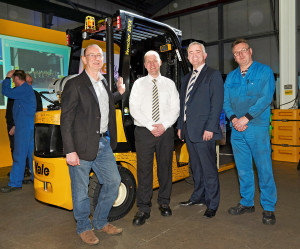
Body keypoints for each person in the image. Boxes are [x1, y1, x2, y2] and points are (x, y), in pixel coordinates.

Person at [60, 44, 125, 245]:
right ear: (85, 59)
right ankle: (83, 227)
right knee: (80, 190)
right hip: (80, 146)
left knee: (113, 182)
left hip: (103, 143)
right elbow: (66, 119)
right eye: (92, 55)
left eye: (100, 55)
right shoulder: (75, 84)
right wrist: (70, 150)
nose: (97, 59)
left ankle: (99, 221)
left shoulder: (104, 82)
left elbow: (100, 104)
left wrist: (119, 93)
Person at [223, 39, 277, 225]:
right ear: (234, 58)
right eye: (236, 53)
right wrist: (233, 119)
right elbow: (226, 102)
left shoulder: (264, 71)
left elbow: (265, 98)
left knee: (264, 169)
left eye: (243, 51)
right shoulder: (231, 77)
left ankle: (269, 207)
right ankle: (247, 203)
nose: (240, 55)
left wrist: (246, 118)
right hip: (237, 129)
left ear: (250, 51)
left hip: (257, 127)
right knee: (243, 169)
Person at [129, 50, 180, 226]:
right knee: (144, 171)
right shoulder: (138, 84)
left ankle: (164, 202)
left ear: (160, 63)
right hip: (144, 132)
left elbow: (176, 108)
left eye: (155, 61)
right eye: (148, 61)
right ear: (145, 65)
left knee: (165, 168)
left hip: (165, 132)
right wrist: (151, 126)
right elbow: (134, 108)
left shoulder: (169, 84)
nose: (152, 64)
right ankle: (143, 208)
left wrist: (164, 125)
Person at [177, 42, 224, 218]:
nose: (194, 55)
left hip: (205, 130)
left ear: (204, 55)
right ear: (188, 57)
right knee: (196, 168)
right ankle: (198, 197)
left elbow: (217, 103)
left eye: (198, 52)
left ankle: (212, 203)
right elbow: (184, 105)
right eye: (191, 53)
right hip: (189, 131)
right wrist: (181, 127)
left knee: (209, 169)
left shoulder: (213, 75)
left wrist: (211, 127)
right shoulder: (185, 78)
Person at [1, 70, 36, 193]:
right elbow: (21, 110)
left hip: (24, 127)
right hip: (27, 125)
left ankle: (15, 183)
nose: (13, 82)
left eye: (13, 80)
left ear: (16, 79)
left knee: (19, 155)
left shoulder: (23, 88)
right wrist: (16, 125)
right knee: (30, 154)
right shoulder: (26, 90)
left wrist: (6, 78)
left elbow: (5, 91)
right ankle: (34, 179)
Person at [5, 73, 43, 181]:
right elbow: (11, 111)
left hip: (25, 127)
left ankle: (19, 179)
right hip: (17, 126)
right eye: (27, 82)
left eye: (31, 82)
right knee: (16, 150)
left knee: (24, 153)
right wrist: (12, 125)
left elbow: (38, 111)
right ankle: (24, 174)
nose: (29, 84)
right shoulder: (17, 92)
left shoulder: (34, 94)